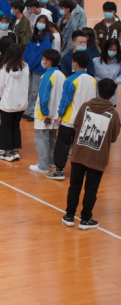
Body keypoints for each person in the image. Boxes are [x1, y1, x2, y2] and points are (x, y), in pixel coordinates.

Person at [62, 79, 120, 230]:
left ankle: (69, 216)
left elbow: (76, 125)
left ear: (98, 91)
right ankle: (85, 219)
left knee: (74, 186)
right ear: (113, 94)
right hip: (97, 158)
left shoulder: (85, 106)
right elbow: (113, 138)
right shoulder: (114, 115)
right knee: (91, 189)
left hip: (79, 153)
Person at [47, 52, 97, 181]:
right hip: (86, 120)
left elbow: (65, 100)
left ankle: (59, 171)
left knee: (62, 145)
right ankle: (81, 172)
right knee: (81, 147)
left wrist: (60, 115)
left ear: (75, 63)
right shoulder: (93, 80)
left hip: (70, 120)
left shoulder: (70, 80)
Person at [31, 50, 66, 174]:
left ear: (49, 62)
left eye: (43, 59)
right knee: (52, 139)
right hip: (56, 114)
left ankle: (43, 166)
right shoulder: (62, 75)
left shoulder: (46, 76)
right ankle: (51, 161)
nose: (42, 61)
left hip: (45, 115)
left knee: (41, 139)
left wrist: (45, 112)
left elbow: (44, 96)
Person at [0, 44, 30, 161]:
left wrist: (2, 96)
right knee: (16, 126)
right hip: (21, 103)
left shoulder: (5, 67)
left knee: (6, 127)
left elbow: (1, 85)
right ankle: (15, 150)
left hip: (8, 102)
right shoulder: (26, 67)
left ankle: (8, 152)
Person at [24, 16, 54, 120]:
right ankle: (29, 111)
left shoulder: (46, 38)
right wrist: (25, 62)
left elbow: (41, 54)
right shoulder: (34, 35)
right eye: (39, 21)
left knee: (35, 91)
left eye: (43, 22)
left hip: (38, 68)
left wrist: (30, 64)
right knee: (29, 90)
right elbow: (28, 49)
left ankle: (34, 113)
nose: (40, 23)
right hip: (30, 67)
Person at [94, 39, 121, 105]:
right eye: (110, 49)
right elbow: (92, 74)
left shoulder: (119, 62)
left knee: (110, 109)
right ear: (106, 49)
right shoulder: (95, 61)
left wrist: (116, 81)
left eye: (114, 50)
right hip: (98, 92)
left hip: (112, 94)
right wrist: (99, 80)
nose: (112, 52)